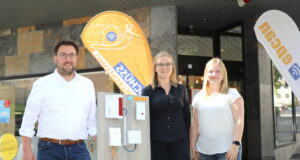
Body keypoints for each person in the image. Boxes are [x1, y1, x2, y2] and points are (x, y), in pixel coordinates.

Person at [19, 40, 97, 160]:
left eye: (72, 55)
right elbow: (29, 120)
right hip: (49, 150)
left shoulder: (87, 85)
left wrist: (105, 147)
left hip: (79, 150)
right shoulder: (41, 84)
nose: (68, 59)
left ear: (76, 58)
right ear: (55, 58)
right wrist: (26, 150)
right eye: (63, 55)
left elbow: (92, 121)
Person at [190, 58, 244, 160]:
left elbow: (239, 120)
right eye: (210, 71)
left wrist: (236, 144)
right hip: (202, 152)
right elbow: (195, 123)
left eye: (218, 71)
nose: (214, 74)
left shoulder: (232, 94)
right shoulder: (198, 96)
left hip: (227, 150)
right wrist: (192, 145)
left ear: (224, 75)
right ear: (206, 74)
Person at [142, 51, 191, 160]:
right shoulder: (147, 91)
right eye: (160, 64)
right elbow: (144, 119)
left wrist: (189, 140)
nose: (165, 67)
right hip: (157, 142)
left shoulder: (181, 89)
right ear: (155, 68)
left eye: (168, 64)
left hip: (180, 141)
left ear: (172, 67)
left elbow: (187, 115)